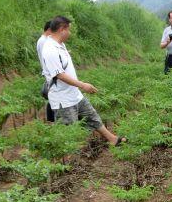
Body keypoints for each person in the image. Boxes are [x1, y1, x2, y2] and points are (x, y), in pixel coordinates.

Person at [41, 16, 126, 145]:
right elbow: (60, 75)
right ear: (62, 29)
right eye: (68, 30)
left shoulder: (60, 45)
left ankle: (112, 139)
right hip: (63, 99)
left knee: (92, 117)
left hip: (74, 94)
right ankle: (68, 161)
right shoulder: (49, 49)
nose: (69, 33)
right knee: (70, 132)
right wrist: (83, 85)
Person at [37, 21, 55, 122]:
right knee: (52, 97)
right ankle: (51, 121)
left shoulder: (43, 40)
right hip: (50, 73)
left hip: (49, 73)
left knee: (52, 97)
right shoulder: (43, 41)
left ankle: (51, 121)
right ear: (49, 30)